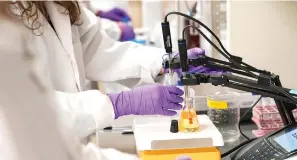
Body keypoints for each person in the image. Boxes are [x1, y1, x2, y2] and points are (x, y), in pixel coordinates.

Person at [5, 1, 218, 145]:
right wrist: (117, 104)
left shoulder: (54, 4)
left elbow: (97, 50)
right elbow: (20, 109)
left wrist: (163, 62)